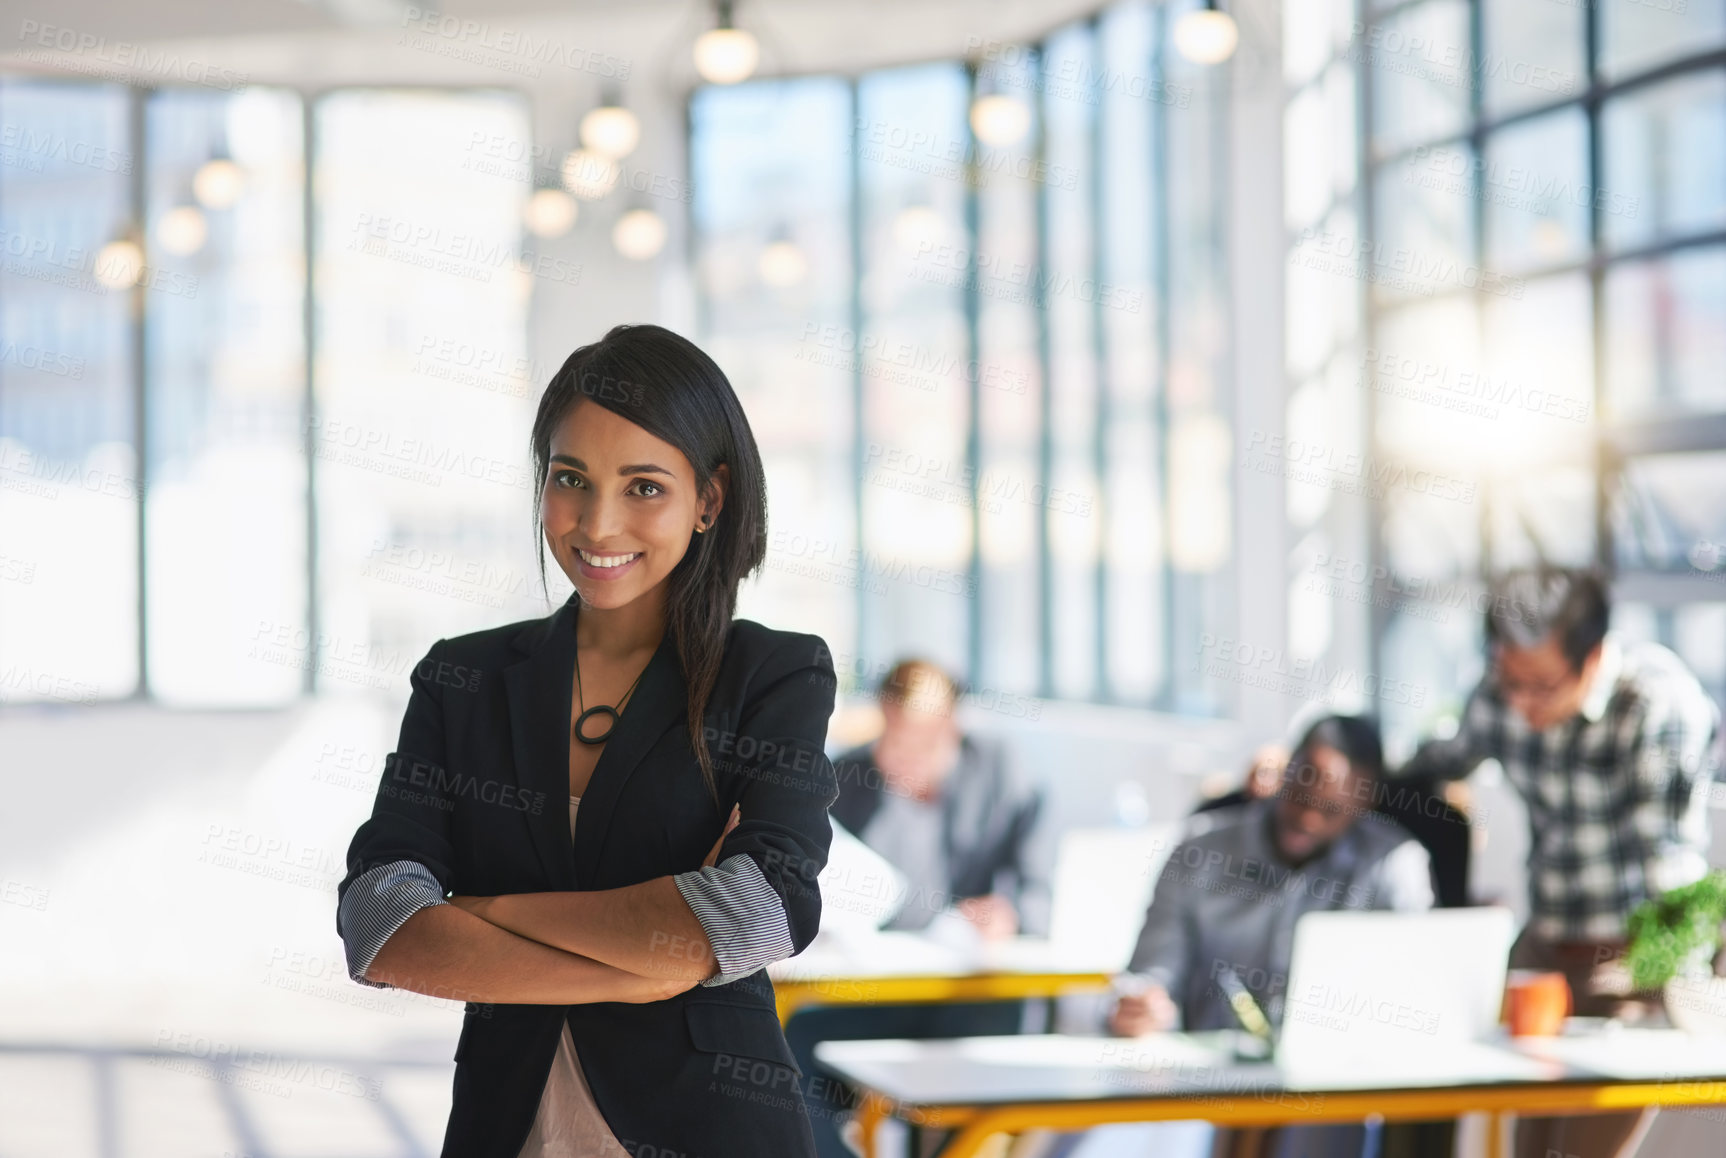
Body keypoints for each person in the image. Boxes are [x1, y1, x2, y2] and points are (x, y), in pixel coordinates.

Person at [334, 323, 841, 1158]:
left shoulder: (774, 674)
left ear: (709, 499)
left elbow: (762, 910)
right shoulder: (463, 678)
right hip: (508, 1130)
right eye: (571, 479)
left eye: (644, 487)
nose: (598, 524)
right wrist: (650, 967)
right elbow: (380, 921)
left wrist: (481, 915)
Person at [1402, 566, 1722, 1158]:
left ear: (1593, 656)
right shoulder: (1498, 695)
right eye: (1510, 680)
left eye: (1542, 686)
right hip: (1545, 956)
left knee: (1583, 1150)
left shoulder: (1653, 704)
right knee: (1529, 1146)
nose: (1522, 704)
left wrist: (1668, 990)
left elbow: (1669, 865)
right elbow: (1435, 764)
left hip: (1630, 962)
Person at [1107, 715, 1435, 1158]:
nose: (1307, 818)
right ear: (1285, 770)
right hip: (1205, 1092)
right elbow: (1151, 971)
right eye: (1300, 794)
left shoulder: (1392, 865)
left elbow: (1412, 992)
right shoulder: (1200, 850)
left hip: (1335, 1093)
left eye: (1331, 809)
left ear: (1365, 805)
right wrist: (1144, 1003)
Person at [788, 658, 1051, 1158]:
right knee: (793, 1046)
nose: (908, 750)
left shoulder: (1003, 771)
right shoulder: (849, 778)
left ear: (953, 724)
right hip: (883, 995)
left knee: (978, 1077)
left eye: (925, 737)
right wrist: (896, 797)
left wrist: (1009, 913)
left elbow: (1036, 891)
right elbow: (856, 894)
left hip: (979, 994)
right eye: (898, 734)